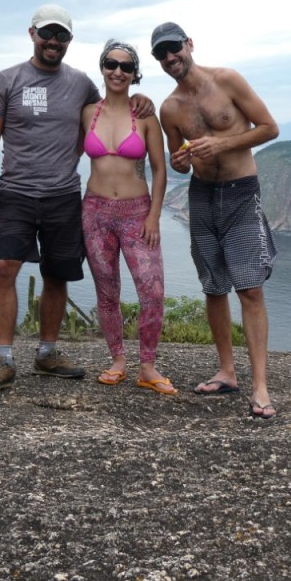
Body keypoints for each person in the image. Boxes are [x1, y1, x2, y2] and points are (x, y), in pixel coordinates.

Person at [0, 4, 154, 394]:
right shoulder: (7, 79)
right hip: (16, 192)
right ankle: (2, 358)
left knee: (57, 273)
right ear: (32, 33)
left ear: (69, 40)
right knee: (3, 266)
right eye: (47, 33)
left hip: (64, 195)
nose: (54, 41)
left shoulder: (82, 84)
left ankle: (47, 352)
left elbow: (112, 104)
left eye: (62, 35)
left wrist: (144, 100)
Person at [152, 22, 281, 419]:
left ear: (189, 44)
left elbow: (270, 128)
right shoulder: (170, 108)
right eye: (161, 54)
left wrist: (223, 142)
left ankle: (260, 386)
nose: (170, 57)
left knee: (250, 289)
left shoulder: (227, 80)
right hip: (202, 196)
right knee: (213, 287)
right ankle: (228, 371)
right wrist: (180, 160)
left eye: (174, 48)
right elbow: (180, 162)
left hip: (242, 191)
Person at [82, 39, 174, 395]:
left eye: (125, 66)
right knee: (107, 292)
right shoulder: (87, 113)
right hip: (94, 211)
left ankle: (147, 365)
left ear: (135, 74)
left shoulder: (146, 115)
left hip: (137, 212)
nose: (117, 71)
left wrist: (154, 217)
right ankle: (118, 360)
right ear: (102, 68)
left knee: (152, 292)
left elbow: (159, 169)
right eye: (111, 64)